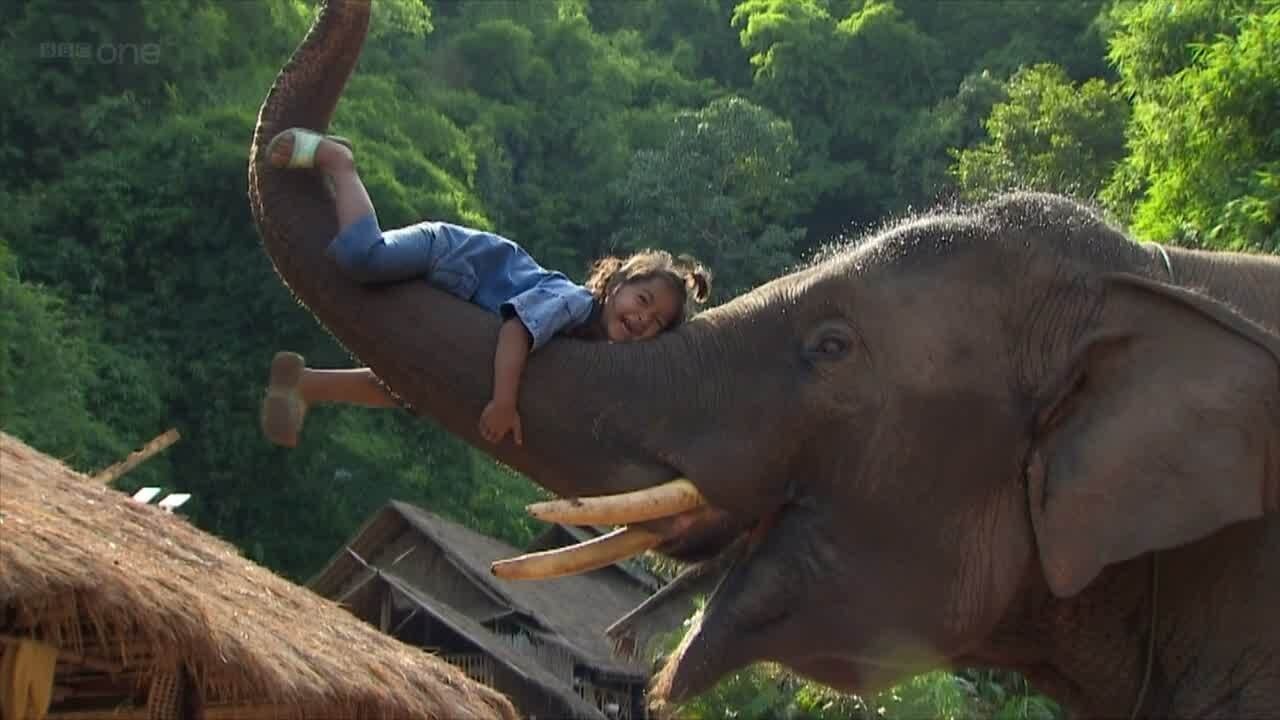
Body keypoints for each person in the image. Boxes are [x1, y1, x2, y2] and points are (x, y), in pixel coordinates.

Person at [259, 127, 712, 448]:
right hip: (451, 256)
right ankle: (340, 163)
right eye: (643, 300)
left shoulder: (588, 349)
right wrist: (502, 402)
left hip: (455, 307)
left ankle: (306, 384)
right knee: (364, 258)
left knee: (413, 390)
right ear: (614, 285)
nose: (641, 318)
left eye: (655, 323)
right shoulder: (572, 303)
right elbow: (516, 331)